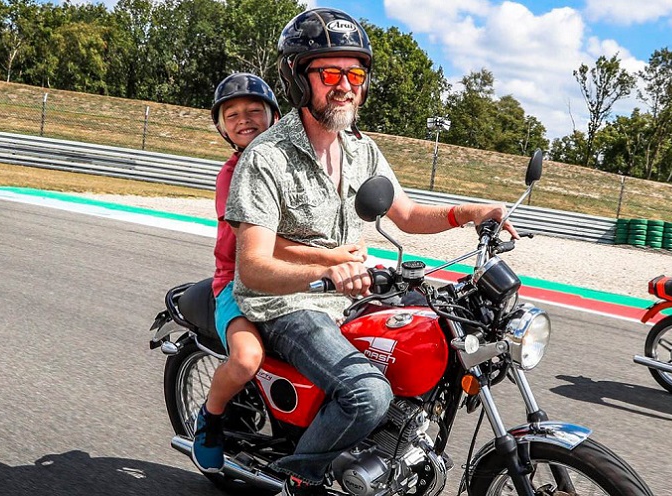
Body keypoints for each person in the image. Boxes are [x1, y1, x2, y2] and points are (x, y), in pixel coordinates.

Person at [223, 8, 517, 495]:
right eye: (331, 72)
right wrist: (328, 270)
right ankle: (299, 478)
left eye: (354, 73)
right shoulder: (266, 157)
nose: (346, 85)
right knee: (366, 394)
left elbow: (406, 214)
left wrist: (469, 212)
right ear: (299, 78)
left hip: (350, 296)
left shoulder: (362, 151)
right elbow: (253, 267)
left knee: (438, 340)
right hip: (289, 304)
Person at [190, 73, 368, 474]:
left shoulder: (290, 162)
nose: (244, 119)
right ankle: (211, 417)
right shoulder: (233, 174)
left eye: (254, 110)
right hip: (238, 284)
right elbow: (260, 246)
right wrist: (330, 257)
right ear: (221, 126)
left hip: (298, 283)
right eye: (231, 114)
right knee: (246, 358)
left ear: (274, 116)